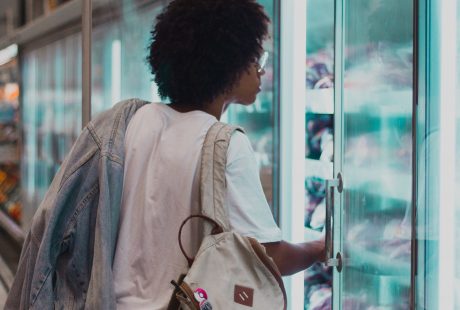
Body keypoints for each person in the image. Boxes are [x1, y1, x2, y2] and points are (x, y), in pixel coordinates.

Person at [6, 0, 324, 309]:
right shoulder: (226, 144)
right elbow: (269, 256)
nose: (261, 70)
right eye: (256, 58)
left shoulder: (124, 124)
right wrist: (320, 248)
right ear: (228, 63)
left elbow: (48, 229)